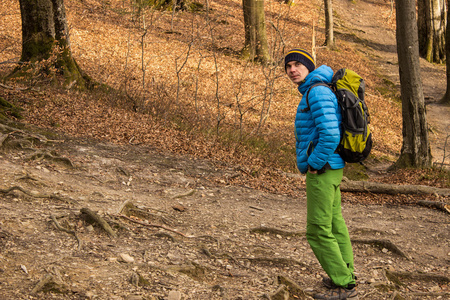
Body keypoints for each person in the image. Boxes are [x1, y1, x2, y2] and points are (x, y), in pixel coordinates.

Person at [285, 48, 358, 300]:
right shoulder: (318, 88)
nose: (292, 70)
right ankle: (345, 274)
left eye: (297, 65)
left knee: (317, 229)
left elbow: (330, 134)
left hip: (324, 169)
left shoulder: (316, 91)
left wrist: (314, 163)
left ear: (309, 67)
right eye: (288, 66)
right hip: (332, 168)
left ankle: (343, 283)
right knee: (334, 223)